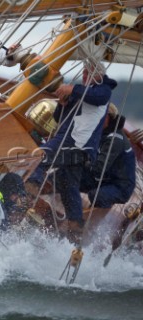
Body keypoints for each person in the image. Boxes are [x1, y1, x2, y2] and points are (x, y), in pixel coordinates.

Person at [27, 62, 118, 237]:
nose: (85, 75)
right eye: (84, 72)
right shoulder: (81, 94)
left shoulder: (103, 90)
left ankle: (31, 186)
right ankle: (75, 226)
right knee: (68, 185)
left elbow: (97, 97)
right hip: (72, 145)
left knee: (42, 155)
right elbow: (60, 118)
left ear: (99, 75)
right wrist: (62, 104)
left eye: (89, 72)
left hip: (76, 143)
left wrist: (72, 89)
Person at [80, 103, 136, 208]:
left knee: (96, 195)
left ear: (107, 117)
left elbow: (98, 169)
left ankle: (87, 219)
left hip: (120, 187)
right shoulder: (103, 132)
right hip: (104, 179)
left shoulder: (115, 140)